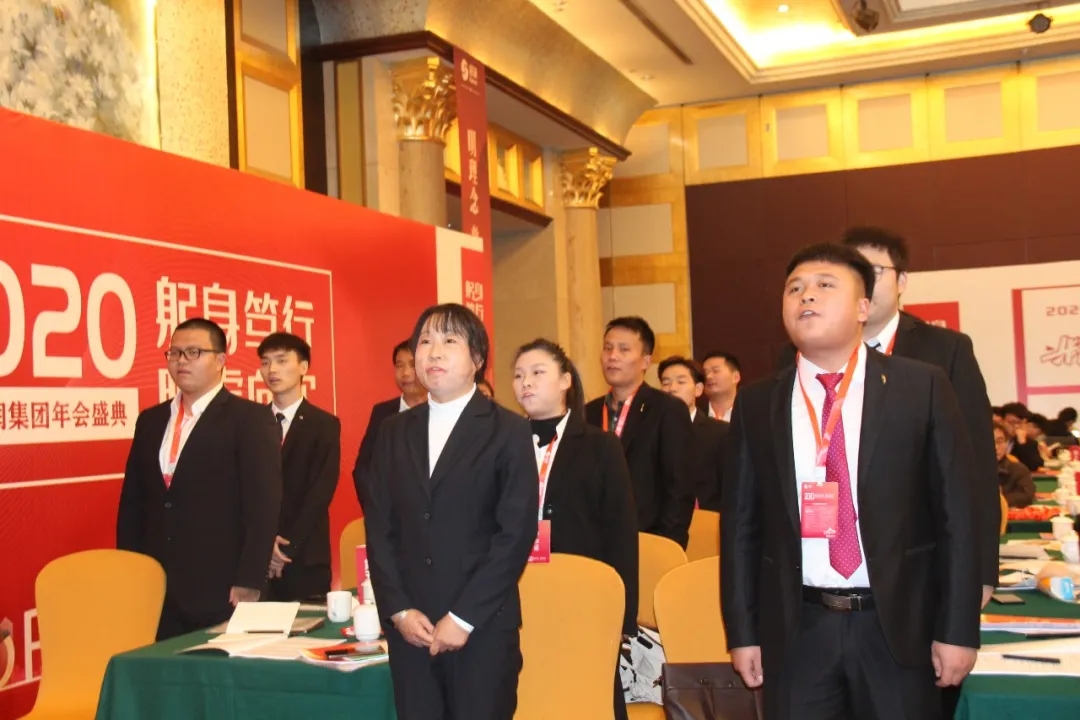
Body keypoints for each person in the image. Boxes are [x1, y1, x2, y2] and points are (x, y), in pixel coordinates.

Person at [723, 244, 980, 720]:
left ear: (863, 307)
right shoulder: (757, 403)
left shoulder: (920, 387)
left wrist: (958, 629)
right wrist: (743, 633)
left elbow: (958, 517)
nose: (806, 296)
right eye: (795, 288)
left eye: (825, 285)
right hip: (797, 632)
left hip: (898, 629)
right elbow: (740, 528)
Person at [778, 226, 998, 609]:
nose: (864, 279)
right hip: (819, 578)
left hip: (919, 566)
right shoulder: (796, 358)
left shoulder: (945, 351)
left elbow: (975, 468)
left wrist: (980, 572)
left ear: (902, 281)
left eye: (874, 271)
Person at [361, 303, 538, 720]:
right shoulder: (393, 431)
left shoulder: (508, 430)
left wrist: (463, 618)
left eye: (449, 340)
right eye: (425, 341)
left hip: (482, 628)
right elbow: (379, 527)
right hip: (411, 630)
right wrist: (399, 610)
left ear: (477, 359)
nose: (433, 352)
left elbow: (514, 535)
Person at [117, 318, 282, 640]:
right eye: (174, 353)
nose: (181, 361)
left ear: (220, 360)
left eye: (193, 352)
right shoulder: (151, 420)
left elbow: (263, 506)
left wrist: (250, 579)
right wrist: (130, 572)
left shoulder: (250, 419)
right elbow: (132, 503)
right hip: (158, 590)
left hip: (222, 588)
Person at [512, 338, 639, 720]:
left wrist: (623, 614)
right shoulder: (503, 445)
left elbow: (621, 532)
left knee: (587, 695)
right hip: (519, 593)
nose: (526, 383)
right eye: (518, 375)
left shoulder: (601, 446)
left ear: (565, 380)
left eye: (537, 372)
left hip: (584, 594)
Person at [585, 317, 696, 548]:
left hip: (648, 541)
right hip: (592, 543)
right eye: (608, 348)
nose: (613, 356)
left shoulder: (668, 410)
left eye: (624, 349)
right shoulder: (587, 413)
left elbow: (680, 488)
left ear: (646, 361)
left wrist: (666, 546)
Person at [258, 332, 342, 601]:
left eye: (282, 360)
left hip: (305, 557)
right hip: (255, 560)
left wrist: (286, 548)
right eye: (265, 362)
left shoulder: (324, 425)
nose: (272, 370)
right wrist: (263, 543)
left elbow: (320, 493)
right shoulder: (249, 423)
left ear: (303, 367)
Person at [352, 340, 427, 504]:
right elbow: (363, 469)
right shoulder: (382, 413)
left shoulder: (443, 411)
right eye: (399, 365)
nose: (406, 373)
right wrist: (376, 511)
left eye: (413, 365)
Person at [658, 355, 728, 511]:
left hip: (707, 519)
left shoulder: (721, 433)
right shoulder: (652, 431)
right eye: (665, 383)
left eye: (681, 382)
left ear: (698, 389)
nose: (672, 388)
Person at [994, 420, 1035, 508]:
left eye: (999, 441)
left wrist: (998, 500)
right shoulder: (970, 470)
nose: (995, 447)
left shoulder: (1018, 469)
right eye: (989, 442)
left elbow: (1027, 495)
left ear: (1007, 443)